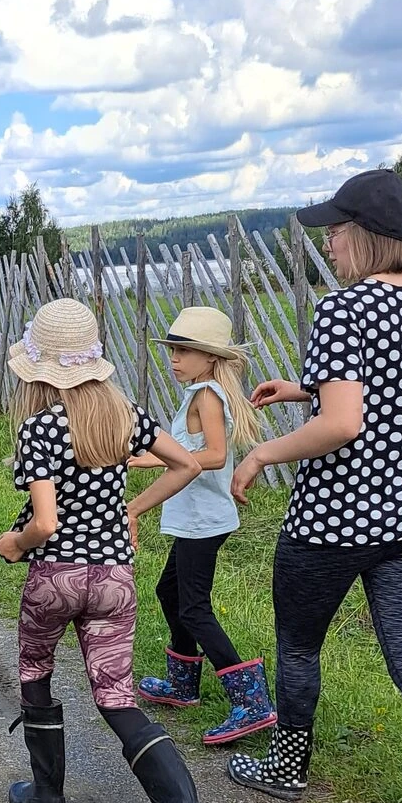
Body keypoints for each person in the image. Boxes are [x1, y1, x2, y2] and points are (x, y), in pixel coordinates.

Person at [227, 168, 402, 803]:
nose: (329, 243)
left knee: (298, 646)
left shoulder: (342, 310)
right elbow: (397, 390)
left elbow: (343, 425)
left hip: (333, 521)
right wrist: (303, 388)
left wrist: (262, 453)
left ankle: (287, 768)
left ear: (367, 236)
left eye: (336, 231)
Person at [0, 298, 214, 803]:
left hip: (56, 576)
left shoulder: (40, 428)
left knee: (36, 669)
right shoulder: (123, 416)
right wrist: (131, 510)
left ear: (41, 371)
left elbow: (45, 522)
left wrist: (14, 543)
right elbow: (187, 465)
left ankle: (47, 793)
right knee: (116, 695)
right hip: (114, 576)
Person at [134, 305, 275, 744]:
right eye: (172, 351)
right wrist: (149, 458)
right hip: (196, 517)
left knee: (194, 607)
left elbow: (214, 455)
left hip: (203, 519)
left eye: (184, 352)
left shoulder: (206, 396)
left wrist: (162, 463)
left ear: (210, 356)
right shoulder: (198, 391)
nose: (174, 359)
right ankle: (183, 685)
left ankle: (252, 702)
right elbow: (189, 451)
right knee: (169, 592)